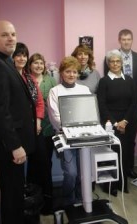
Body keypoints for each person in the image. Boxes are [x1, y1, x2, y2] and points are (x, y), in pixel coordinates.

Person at [0, 20, 36, 224]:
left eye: (13, 34)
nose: (11, 38)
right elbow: (0, 111)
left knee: (15, 197)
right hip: (10, 149)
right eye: (4, 35)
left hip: (15, 147)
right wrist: (15, 146)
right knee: (12, 199)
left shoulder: (7, 62)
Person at [47, 56, 91, 207]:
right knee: (71, 173)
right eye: (68, 71)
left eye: (74, 72)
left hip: (84, 137)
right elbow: (55, 117)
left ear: (78, 74)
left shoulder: (84, 90)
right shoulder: (55, 91)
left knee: (83, 171)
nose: (71, 75)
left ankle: (81, 199)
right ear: (61, 73)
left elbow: (88, 112)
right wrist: (72, 127)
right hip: (64, 137)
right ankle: (69, 201)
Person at [104, 29, 137, 178]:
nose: (126, 42)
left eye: (129, 39)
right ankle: (115, 172)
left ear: (132, 40)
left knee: (130, 139)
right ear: (119, 40)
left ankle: (129, 169)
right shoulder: (111, 57)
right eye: (123, 39)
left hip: (133, 104)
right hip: (115, 106)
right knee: (115, 141)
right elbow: (108, 80)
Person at [97, 49, 137, 195]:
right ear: (108, 64)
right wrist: (115, 123)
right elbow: (102, 105)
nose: (115, 64)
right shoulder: (104, 82)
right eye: (112, 61)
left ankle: (123, 183)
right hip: (110, 124)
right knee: (112, 154)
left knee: (125, 154)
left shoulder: (130, 81)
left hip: (127, 122)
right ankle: (111, 185)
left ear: (122, 62)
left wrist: (124, 121)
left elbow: (134, 103)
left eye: (117, 61)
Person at [26, 53, 57, 214]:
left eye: (41, 63)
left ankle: (47, 202)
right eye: (35, 63)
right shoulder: (25, 80)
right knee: (33, 165)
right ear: (30, 65)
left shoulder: (50, 81)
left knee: (46, 164)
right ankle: (33, 202)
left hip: (47, 129)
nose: (38, 66)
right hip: (30, 129)